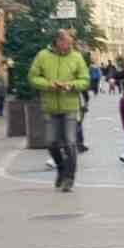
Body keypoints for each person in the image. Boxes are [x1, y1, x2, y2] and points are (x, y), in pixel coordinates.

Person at [28, 29, 90, 191]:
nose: (69, 46)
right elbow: (33, 77)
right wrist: (49, 85)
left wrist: (71, 85)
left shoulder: (76, 57)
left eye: (71, 43)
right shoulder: (43, 55)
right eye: (67, 43)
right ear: (58, 41)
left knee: (70, 142)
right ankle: (61, 168)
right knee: (51, 142)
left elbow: (85, 80)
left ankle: (70, 178)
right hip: (50, 106)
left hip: (70, 105)